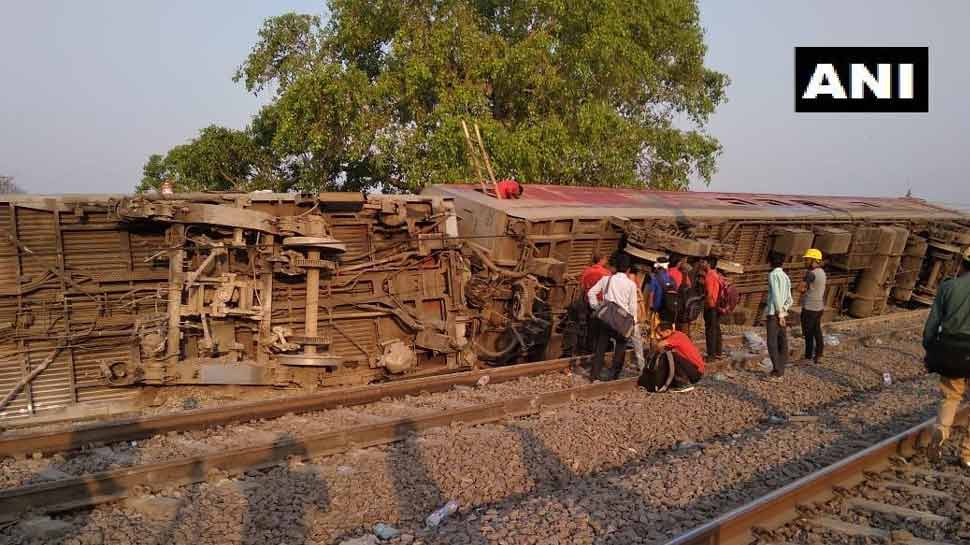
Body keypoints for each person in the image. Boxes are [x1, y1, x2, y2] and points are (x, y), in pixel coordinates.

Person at [923, 248, 970, 468]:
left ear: (962, 263)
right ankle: (967, 455)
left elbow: (932, 324)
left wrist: (929, 347)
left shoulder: (948, 287)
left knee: (950, 397)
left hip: (952, 349)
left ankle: (941, 433)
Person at [587, 259, 643, 381]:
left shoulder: (606, 279)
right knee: (620, 347)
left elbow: (591, 293)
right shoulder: (631, 285)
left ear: (615, 268)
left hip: (607, 318)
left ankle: (594, 374)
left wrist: (597, 307)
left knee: (601, 346)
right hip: (622, 320)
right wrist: (633, 322)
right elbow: (632, 306)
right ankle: (614, 375)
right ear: (628, 270)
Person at [765, 252, 793, 381]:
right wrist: (784, 311)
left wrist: (779, 314)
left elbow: (776, 295)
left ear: (770, 262)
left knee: (772, 343)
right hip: (782, 313)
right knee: (782, 342)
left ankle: (777, 372)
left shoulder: (773, 275)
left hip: (774, 314)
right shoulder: (786, 276)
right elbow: (789, 299)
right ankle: (781, 368)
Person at [655, 322, 705, 392]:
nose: (659, 336)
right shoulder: (676, 334)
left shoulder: (676, 336)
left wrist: (658, 341)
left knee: (671, 355)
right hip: (692, 368)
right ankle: (676, 381)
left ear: (668, 331)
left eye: (660, 334)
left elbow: (659, 345)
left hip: (696, 372)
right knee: (667, 355)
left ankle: (683, 384)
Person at [799, 248, 827, 364]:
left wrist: (803, 289)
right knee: (817, 331)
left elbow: (799, 288)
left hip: (810, 308)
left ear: (813, 260)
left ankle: (808, 357)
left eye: (807, 259)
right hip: (819, 307)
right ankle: (819, 355)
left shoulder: (811, 274)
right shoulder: (822, 272)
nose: (805, 261)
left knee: (808, 333)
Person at [580, 254, 612, 352]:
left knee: (589, 326)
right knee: (599, 329)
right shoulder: (606, 273)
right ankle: (596, 350)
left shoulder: (586, 271)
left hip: (588, 302)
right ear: (601, 260)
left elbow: (582, 286)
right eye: (605, 260)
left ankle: (588, 348)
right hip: (601, 304)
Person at [698, 258, 723, 361]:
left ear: (708, 264)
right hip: (717, 305)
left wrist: (705, 305)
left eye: (703, 262)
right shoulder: (717, 275)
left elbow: (709, 293)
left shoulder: (709, 276)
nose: (702, 263)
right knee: (716, 329)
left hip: (711, 306)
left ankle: (711, 355)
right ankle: (718, 352)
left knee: (710, 330)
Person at [669, 256, 695, 334]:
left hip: (668, 301)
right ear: (679, 263)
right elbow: (689, 286)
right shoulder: (682, 274)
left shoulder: (666, 272)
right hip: (680, 303)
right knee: (681, 326)